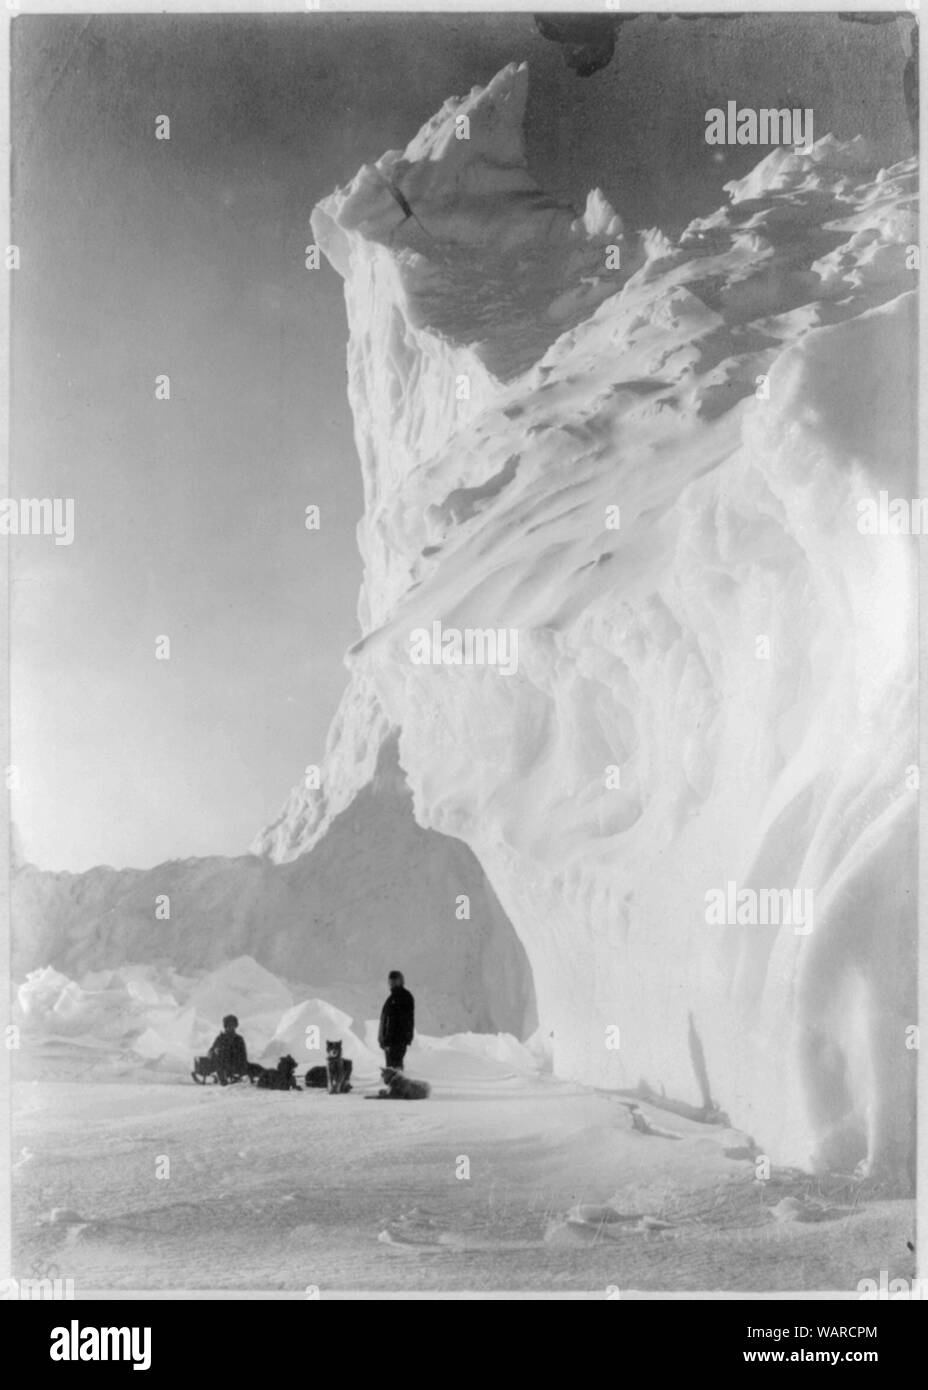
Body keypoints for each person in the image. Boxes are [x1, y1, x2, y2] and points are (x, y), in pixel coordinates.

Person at [378, 971, 415, 1071]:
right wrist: (382, 1038)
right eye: (390, 981)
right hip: (389, 1041)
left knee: (395, 1070)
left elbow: (403, 1021)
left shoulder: (405, 997)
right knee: (390, 1069)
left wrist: (395, 1039)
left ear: (401, 981)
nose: (392, 983)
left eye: (395, 981)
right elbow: (384, 1020)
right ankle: (394, 1086)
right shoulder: (391, 999)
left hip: (397, 1041)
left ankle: (398, 1086)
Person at [208, 1014, 248, 1085]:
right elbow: (212, 1049)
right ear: (225, 1026)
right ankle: (223, 1079)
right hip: (223, 1064)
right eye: (229, 1025)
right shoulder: (220, 1038)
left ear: (235, 1026)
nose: (230, 1028)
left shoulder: (239, 1039)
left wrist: (243, 1068)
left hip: (236, 1064)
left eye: (232, 1025)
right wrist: (214, 1051)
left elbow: (243, 1055)